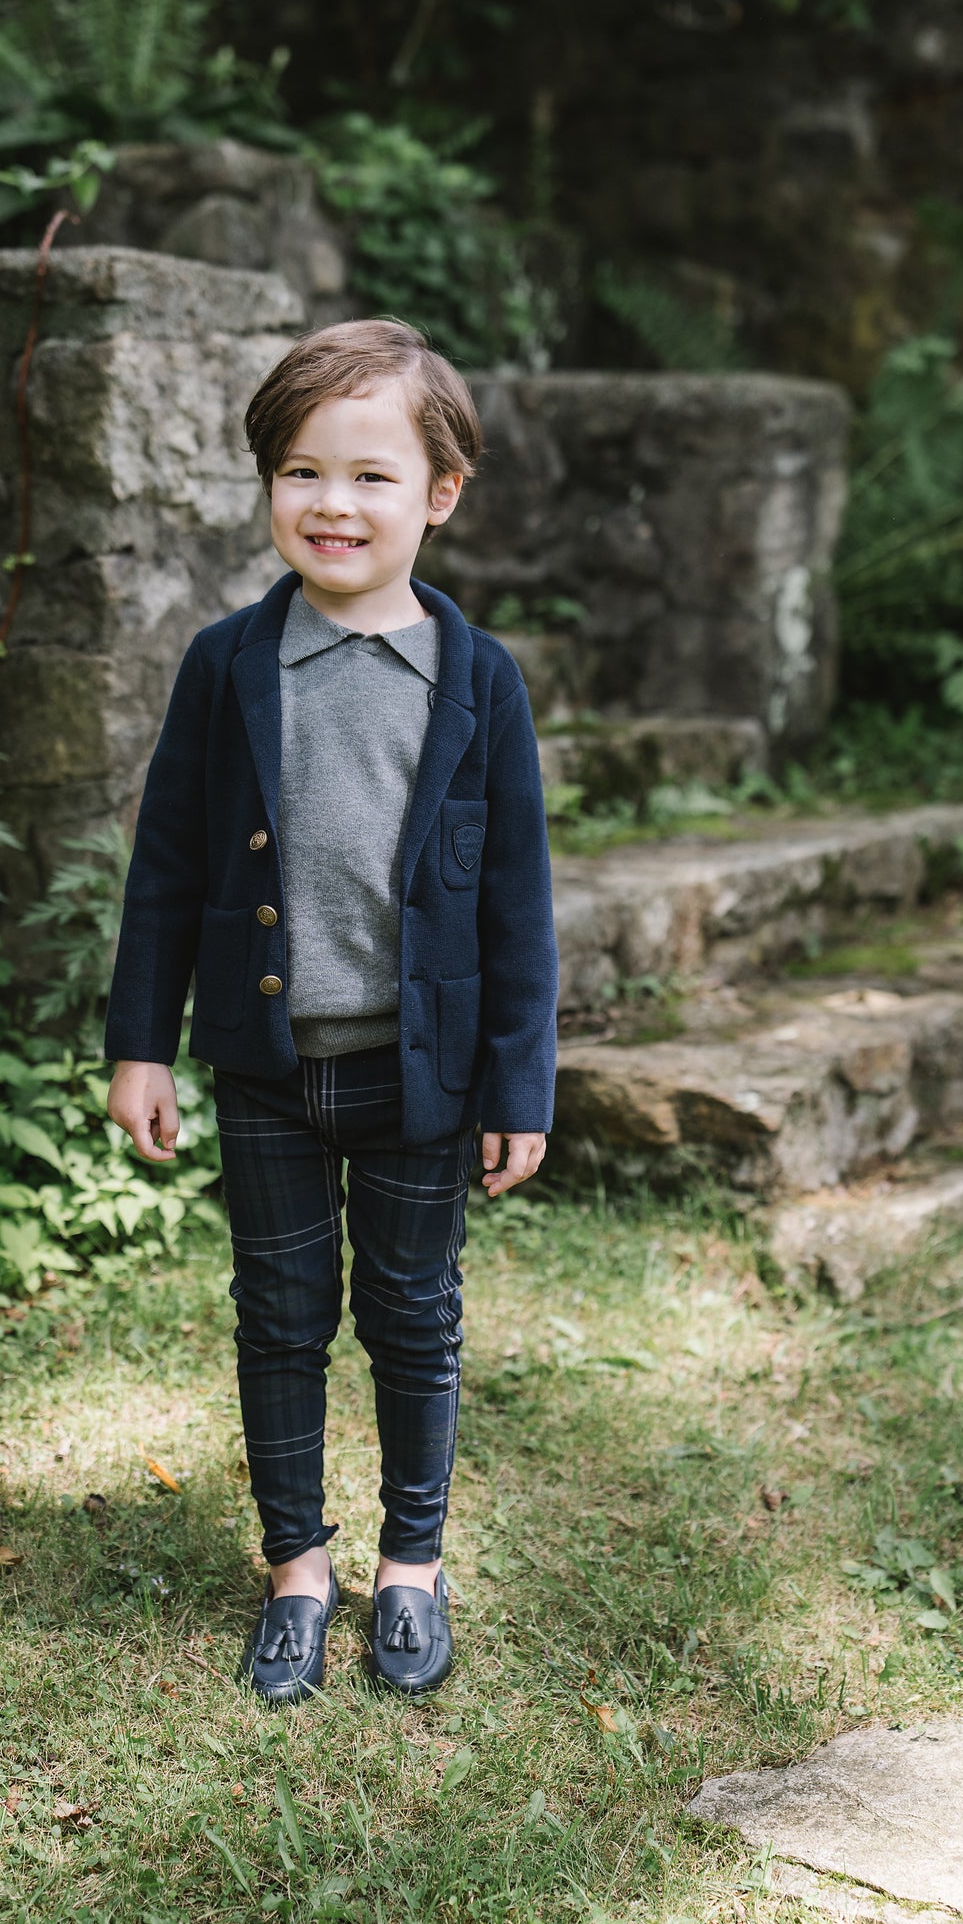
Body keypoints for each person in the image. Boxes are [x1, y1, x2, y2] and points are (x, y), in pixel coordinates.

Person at [105, 318, 558, 1704]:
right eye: (300, 471)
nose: (331, 503)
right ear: (268, 487)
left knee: (413, 1318)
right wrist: (139, 1044)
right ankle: (296, 1568)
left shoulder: (479, 680)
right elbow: (167, 867)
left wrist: (519, 1086)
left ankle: (411, 1565)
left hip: (421, 1077)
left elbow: (518, 903)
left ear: (439, 493)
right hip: (268, 1068)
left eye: (370, 476)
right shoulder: (226, 664)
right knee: (281, 1314)